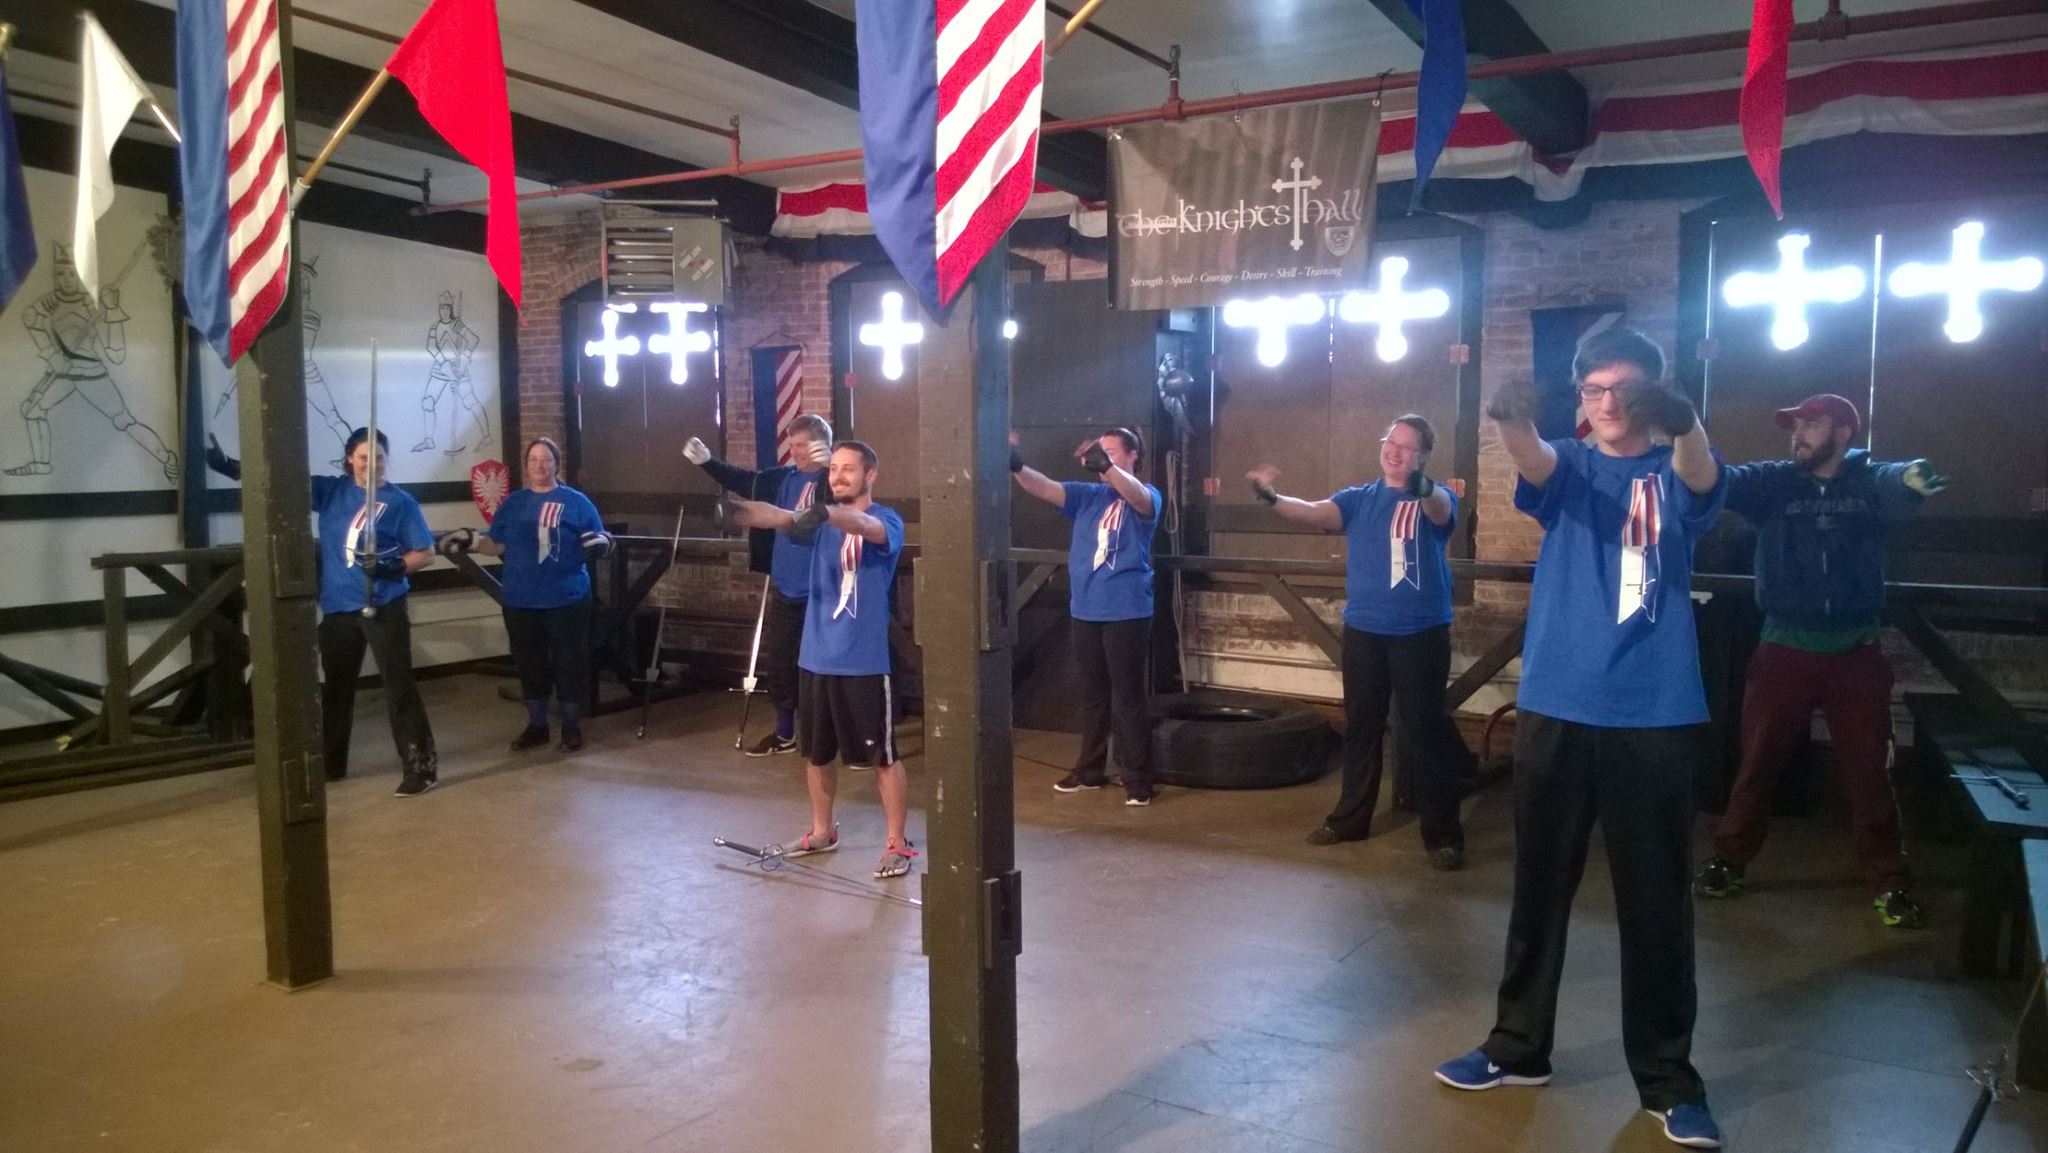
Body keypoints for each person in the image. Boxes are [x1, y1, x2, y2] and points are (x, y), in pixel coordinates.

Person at [1435, 329, 1725, 1150]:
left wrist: (1685, 422)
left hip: (1654, 712)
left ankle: (1669, 1079)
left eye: (1624, 390)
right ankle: (1518, 1047)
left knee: (1656, 903)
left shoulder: (1675, 467)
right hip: (1559, 704)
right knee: (1539, 886)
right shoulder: (1570, 465)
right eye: (1594, 389)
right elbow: (1533, 461)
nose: (1607, 403)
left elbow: (1703, 476)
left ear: (1653, 395)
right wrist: (1508, 419)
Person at [1695, 394, 1947, 929]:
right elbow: (1722, 480)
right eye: (1796, 425)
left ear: (1844, 432)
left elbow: (1894, 482)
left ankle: (1890, 881)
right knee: (1757, 765)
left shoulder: (1867, 481)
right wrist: (1689, 445)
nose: (1799, 433)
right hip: (1782, 649)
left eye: (1812, 423)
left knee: (1870, 773)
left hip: (1855, 654)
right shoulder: (1775, 482)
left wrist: (1911, 478)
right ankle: (1729, 861)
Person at [1246, 415, 1472, 868]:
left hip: (1420, 633)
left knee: (1425, 731)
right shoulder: (1359, 499)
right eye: (1391, 441)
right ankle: (1350, 819)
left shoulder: (1436, 496)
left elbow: (1440, 510)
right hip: (1365, 632)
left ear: (1423, 455)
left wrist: (1423, 486)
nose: (1395, 450)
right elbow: (1312, 511)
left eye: (1406, 446)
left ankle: (1443, 835)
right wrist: (1271, 497)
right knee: (1362, 727)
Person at [206, 428, 440, 796]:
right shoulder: (331, 491)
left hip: (385, 605)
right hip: (338, 608)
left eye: (379, 457)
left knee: (399, 687)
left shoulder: (401, 503)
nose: (372, 465)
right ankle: (331, 762)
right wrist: (232, 467)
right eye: (364, 458)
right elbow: (279, 483)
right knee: (336, 690)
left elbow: (425, 553)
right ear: (350, 459)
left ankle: (421, 768)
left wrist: (394, 567)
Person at [728, 441, 913, 878]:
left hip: (863, 661)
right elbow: (778, 516)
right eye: (834, 470)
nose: (839, 476)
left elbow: (864, 525)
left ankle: (897, 843)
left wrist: (825, 513)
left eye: (849, 469)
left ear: (871, 475)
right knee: (815, 754)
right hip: (815, 657)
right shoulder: (817, 521)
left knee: (883, 758)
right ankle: (821, 832)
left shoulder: (886, 519)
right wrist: (740, 512)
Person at [1012, 428, 1163, 806]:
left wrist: (1106, 466)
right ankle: (1090, 769)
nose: (1102, 457)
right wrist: (1016, 466)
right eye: (1099, 451)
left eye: (1111, 451)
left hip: (1126, 610)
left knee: (1128, 696)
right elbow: (1045, 487)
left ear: (1132, 456)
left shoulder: (1146, 495)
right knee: (1094, 695)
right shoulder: (1088, 495)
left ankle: (1138, 777)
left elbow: (1138, 496)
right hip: (1086, 609)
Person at [439, 438, 613, 753]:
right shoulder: (513, 503)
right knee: (530, 663)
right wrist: (471, 541)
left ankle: (571, 727)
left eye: (546, 459)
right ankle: (537, 726)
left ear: (557, 464)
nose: (539, 465)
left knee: (569, 662)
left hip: (566, 598)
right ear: (526, 465)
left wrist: (601, 543)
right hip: (521, 599)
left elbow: (598, 538)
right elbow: (497, 544)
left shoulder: (577, 502)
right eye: (533, 460)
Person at [684, 415, 834, 756]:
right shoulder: (783, 479)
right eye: (792, 445)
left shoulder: (834, 481)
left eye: (803, 445)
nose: (796, 452)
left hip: (823, 592)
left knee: (820, 669)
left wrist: (832, 468)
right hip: (785, 588)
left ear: (821, 445)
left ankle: (824, 737)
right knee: (780, 665)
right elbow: (744, 480)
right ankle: (785, 734)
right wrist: (707, 462)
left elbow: (848, 504)